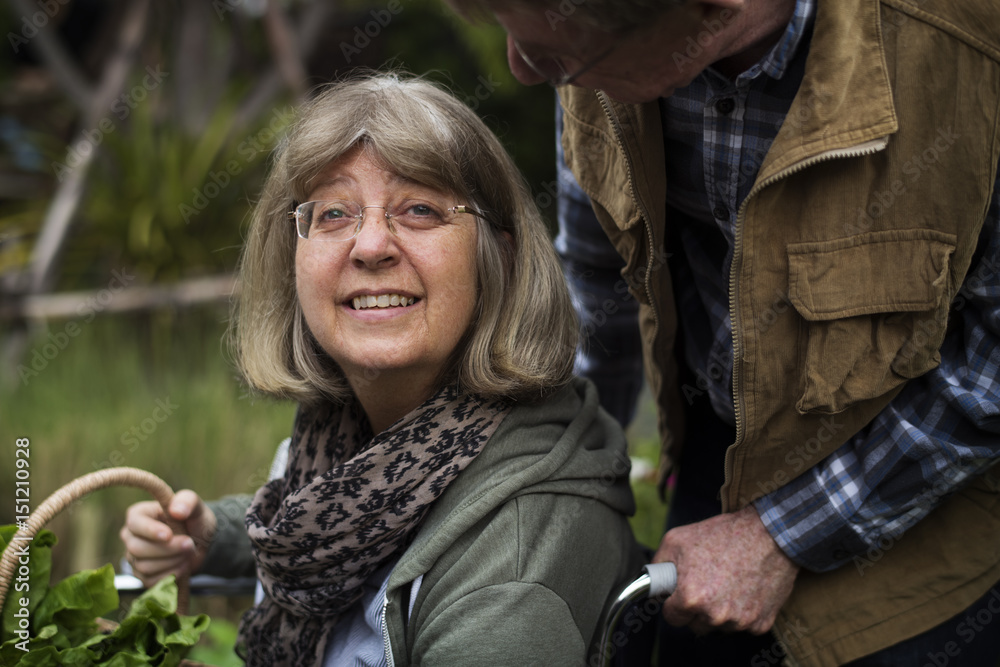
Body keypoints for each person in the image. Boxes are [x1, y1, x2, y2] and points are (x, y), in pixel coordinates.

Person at [443, 0, 1000, 665]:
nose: (521, 70)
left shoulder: (971, 49)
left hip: (934, 501)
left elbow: (991, 363)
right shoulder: (590, 40)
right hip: (720, 450)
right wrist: (551, 470)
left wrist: (780, 534)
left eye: (549, 56)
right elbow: (599, 282)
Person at [119, 72, 646, 667]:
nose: (371, 246)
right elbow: (341, 516)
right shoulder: (354, 430)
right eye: (333, 213)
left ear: (498, 251)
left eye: (420, 209)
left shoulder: (513, 575)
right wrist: (212, 537)